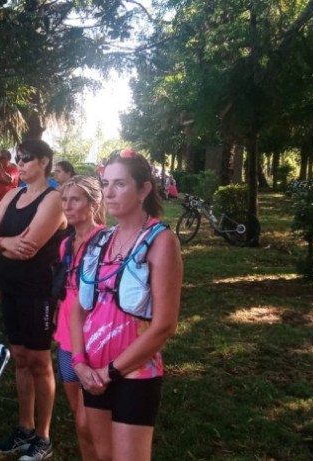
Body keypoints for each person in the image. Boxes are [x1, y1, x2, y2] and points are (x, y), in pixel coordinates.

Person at [69, 148, 183, 461]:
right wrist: (79, 362)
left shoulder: (160, 242)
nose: (109, 192)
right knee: (103, 455)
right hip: (93, 370)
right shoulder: (100, 240)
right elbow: (78, 308)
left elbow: (164, 325)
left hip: (133, 371)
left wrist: (111, 372)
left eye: (120, 184)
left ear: (144, 189)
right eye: (105, 184)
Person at [0, 139, 67, 461]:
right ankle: (24, 427)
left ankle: (43, 437)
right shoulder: (14, 195)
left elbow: (28, 246)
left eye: (27, 158)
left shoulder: (53, 198)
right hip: (10, 286)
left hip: (38, 290)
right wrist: (4, 242)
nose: (21, 163)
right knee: (19, 356)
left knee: (40, 361)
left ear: (43, 161)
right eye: (19, 158)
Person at [54, 175, 105, 461]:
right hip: (65, 339)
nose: (67, 206)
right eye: (64, 200)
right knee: (79, 416)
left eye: (75, 199)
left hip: (96, 339)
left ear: (93, 203)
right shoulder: (66, 244)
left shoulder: (107, 242)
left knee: (92, 419)